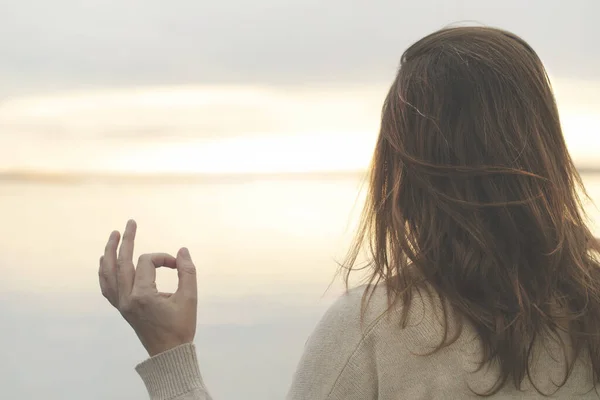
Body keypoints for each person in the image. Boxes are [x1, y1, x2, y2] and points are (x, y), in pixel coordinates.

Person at [98, 26, 600, 399]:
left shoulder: (381, 327)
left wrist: (170, 353)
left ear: (406, 170)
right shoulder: (589, 316)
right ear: (543, 150)